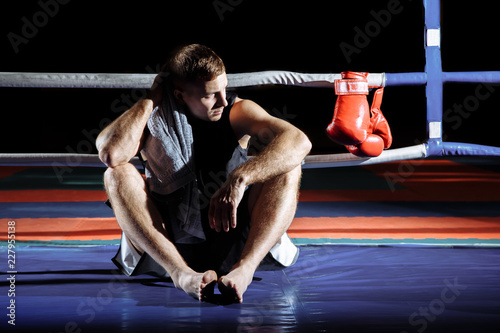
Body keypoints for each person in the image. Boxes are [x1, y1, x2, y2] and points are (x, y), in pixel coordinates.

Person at [96, 44, 311, 303]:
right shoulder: (153, 118)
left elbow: (299, 140)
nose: (222, 100)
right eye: (210, 95)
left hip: (235, 239)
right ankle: (181, 275)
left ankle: (246, 268)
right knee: (116, 175)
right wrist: (152, 98)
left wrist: (240, 179)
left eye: (224, 89)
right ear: (178, 95)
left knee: (288, 165)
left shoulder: (236, 111)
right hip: (168, 246)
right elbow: (111, 154)